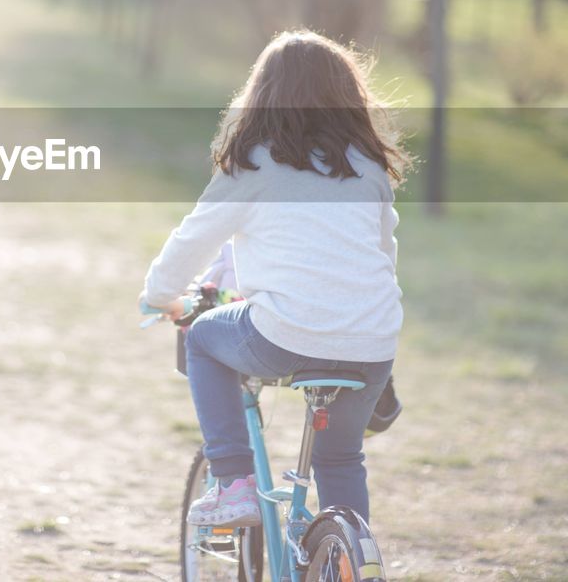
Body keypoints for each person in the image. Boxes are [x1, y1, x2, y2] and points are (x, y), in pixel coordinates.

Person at [138, 30, 409, 528]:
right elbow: (382, 251)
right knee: (341, 460)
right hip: (372, 339)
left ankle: (234, 481)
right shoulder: (367, 166)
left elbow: (194, 237)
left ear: (262, 94)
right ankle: (346, 556)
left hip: (284, 332)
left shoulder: (254, 162)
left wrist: (158, 295)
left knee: (202, 339)